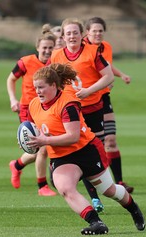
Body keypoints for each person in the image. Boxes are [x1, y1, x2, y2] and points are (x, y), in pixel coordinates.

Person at [26, 63, 145, 235]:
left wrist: (44, 140)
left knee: (109, 191)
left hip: (86, 151)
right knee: (65, 188)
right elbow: (33, 128)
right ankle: (97, 223)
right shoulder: (34, 105)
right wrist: (30, 140)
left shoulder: (68, 104)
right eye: (35, 87)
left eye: (41, 87)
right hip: (62, 156)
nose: (37, 91)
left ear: (53, 85)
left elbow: (72, 137)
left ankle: (133, 209)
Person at [49, 18, 115, 213]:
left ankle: (107, 186)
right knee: (76, 149)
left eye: (75, 33)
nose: (72, 36)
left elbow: (109, 76)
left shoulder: (93, 52)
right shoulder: (56, 56)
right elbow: (54, 84)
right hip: (71, 111)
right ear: (62, 36)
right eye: (68, 33)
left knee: (96, 150)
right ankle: (93, 197)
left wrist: (89, 91)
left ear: (81, 35)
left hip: (93, 109)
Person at [84, 16, 134, 193]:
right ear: (87, 32)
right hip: (85, 101)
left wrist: (120, 75)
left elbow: (106, 67)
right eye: (94, 31)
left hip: (103, 98)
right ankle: (90, 184)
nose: (98, 34)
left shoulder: (106, 47)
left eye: (100, 31)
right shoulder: (81, 49)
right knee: (90, 143)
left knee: (110, 140)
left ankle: (119, 182)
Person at [6, 25, 57, 196]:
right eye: (44, 48)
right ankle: (42, 186)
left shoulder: (55, 64)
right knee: (41, 147)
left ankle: (17, 165)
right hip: (28, 109)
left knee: (37, 150)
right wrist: (13, 99)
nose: (47, 51)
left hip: (48, 108)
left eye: (50, 48)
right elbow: (11, 79)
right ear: (38, 47)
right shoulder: (26, 62)